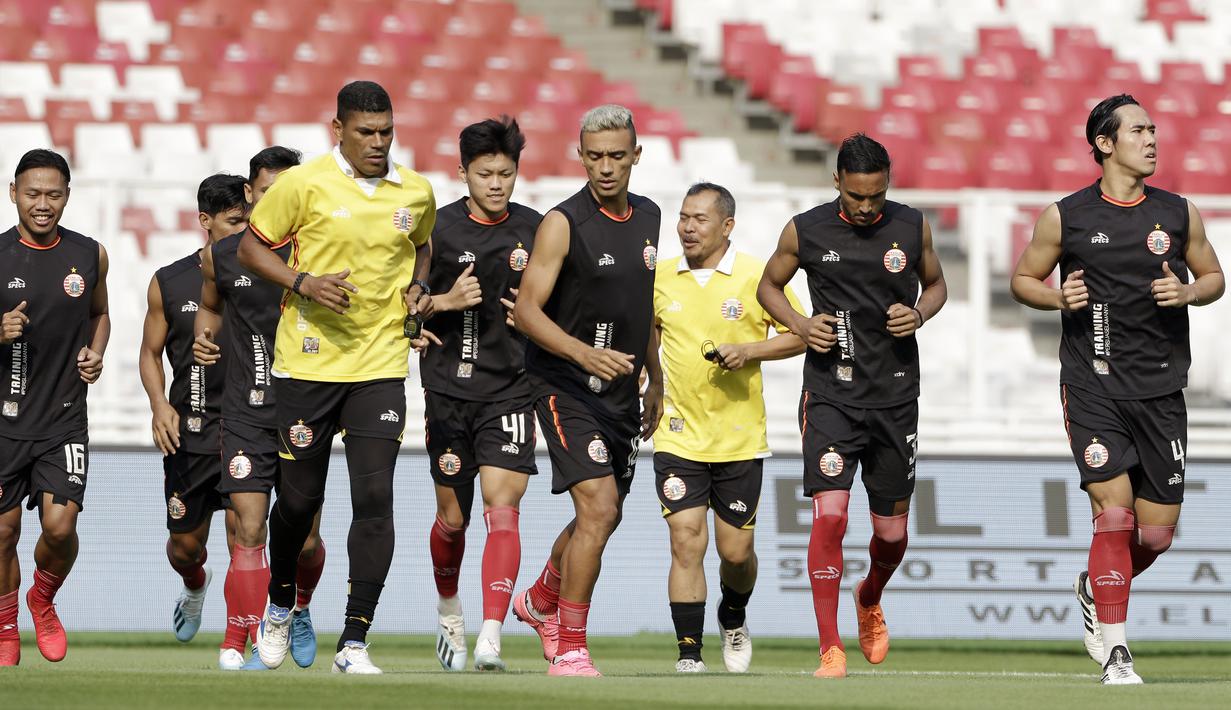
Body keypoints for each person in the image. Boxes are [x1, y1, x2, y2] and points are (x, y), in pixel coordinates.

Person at [1010, 94, 1223, 685]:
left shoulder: (1180, 213)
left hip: (1160, 390)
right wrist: (1057, 297)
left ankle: (1093, 585)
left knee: (1155, 534)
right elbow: (1023, 279)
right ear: (1105, 143)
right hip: (1092, 383)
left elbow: (1213, 277)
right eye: (1139, 131)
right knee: (1116, 516)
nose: (1152, 140)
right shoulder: (1067, 215)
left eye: (1154, 130)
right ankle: (1118, 650)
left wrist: (1189, 293)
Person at [241, 81, 436, 675]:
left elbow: (423, 246)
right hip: (308, 365)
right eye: (366, 133)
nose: (379, 143)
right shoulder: (303, 185)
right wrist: (303, 283)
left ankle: (354, 640)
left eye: (386, 131)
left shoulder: (417, 190)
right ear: (338, 129)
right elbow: (252, 249)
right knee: (298, 506)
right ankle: (280, 604)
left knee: (375, 500)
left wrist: (419, 288)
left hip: (378, 367)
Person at [757, 133, 947, 679]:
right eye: (858, 196)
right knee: (831, 518)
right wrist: (798, 323)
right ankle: (829, 648)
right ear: (837, 181)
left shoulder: (912, 226)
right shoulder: (806, 229)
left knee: (891, 535)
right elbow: (769, 286)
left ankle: (869, 596)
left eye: (877, 196)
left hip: (894, 397)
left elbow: (936, 284)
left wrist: (920, 314)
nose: (867, 208)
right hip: (831, 395)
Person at [511, 104, 662, 677]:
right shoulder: (562, 222)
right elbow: (526, 310)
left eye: (616, 156)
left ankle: (542, 598)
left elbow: (641, 306)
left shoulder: (648, 218)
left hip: (623, 394)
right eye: (594, 156)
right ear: (580, 155)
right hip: (563, 385)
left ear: (635, 156)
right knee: (598, 507)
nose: (605, 167)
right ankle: (570, 644)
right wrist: (582, 352)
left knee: (605, 514)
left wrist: (658, 378)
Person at [653, 182, 805, 673]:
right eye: (683, 217)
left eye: (699, 218)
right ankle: (689, 652)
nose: (687, 227)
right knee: (685, 538)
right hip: (677, 433)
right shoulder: (659, 277)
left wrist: (750, 351)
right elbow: (646, 337)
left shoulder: (756, 275)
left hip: (739, 439)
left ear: (727, 226)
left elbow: (801, 334)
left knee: (735, 553)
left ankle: (733, 614)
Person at [193, 147, 327, 671]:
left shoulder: (318, 250)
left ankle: (300, 607)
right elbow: (210, 307)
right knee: (248, 530)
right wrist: (206, 337)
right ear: (250, 195)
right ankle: (248, 641)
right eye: (268, 193)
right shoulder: (223, 255)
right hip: (245, 412)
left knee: (307, 537)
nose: (278, 202)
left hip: (305, 409)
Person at [419, 117, 541, 672]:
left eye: (506, 173)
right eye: (485, 173)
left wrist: (535, 319)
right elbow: (402, 305)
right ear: (463, 172)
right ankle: (450, 608)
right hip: (446, 389)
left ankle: (492, 632)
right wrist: (443, 302)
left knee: (503, 507)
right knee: (453, 519)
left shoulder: (539, 230)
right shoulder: (436, 229)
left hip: (510, 390)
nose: (496, 184)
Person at [0, 149, 110, 666]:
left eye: (53, 194)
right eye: (32, 193)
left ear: (67, 196)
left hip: (64, 416)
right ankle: (4, 627)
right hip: (5, 422)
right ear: (13, 193)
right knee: (2, 532)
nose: (42, 204)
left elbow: (101, 313)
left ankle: (42, 599)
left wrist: (96, 351)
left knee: (60, 528)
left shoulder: (90, 254)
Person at [138, 173, 246, 657]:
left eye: (249, 220)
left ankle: (236, 639)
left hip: (247, 427)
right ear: (205, 221)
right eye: (233, 222)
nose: (244, 230)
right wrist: (160, 406)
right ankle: (195, 586)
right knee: (186, 548)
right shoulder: (170, 281)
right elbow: (149, 352)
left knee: (246, 535)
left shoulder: (263, 275)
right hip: (189, 433)